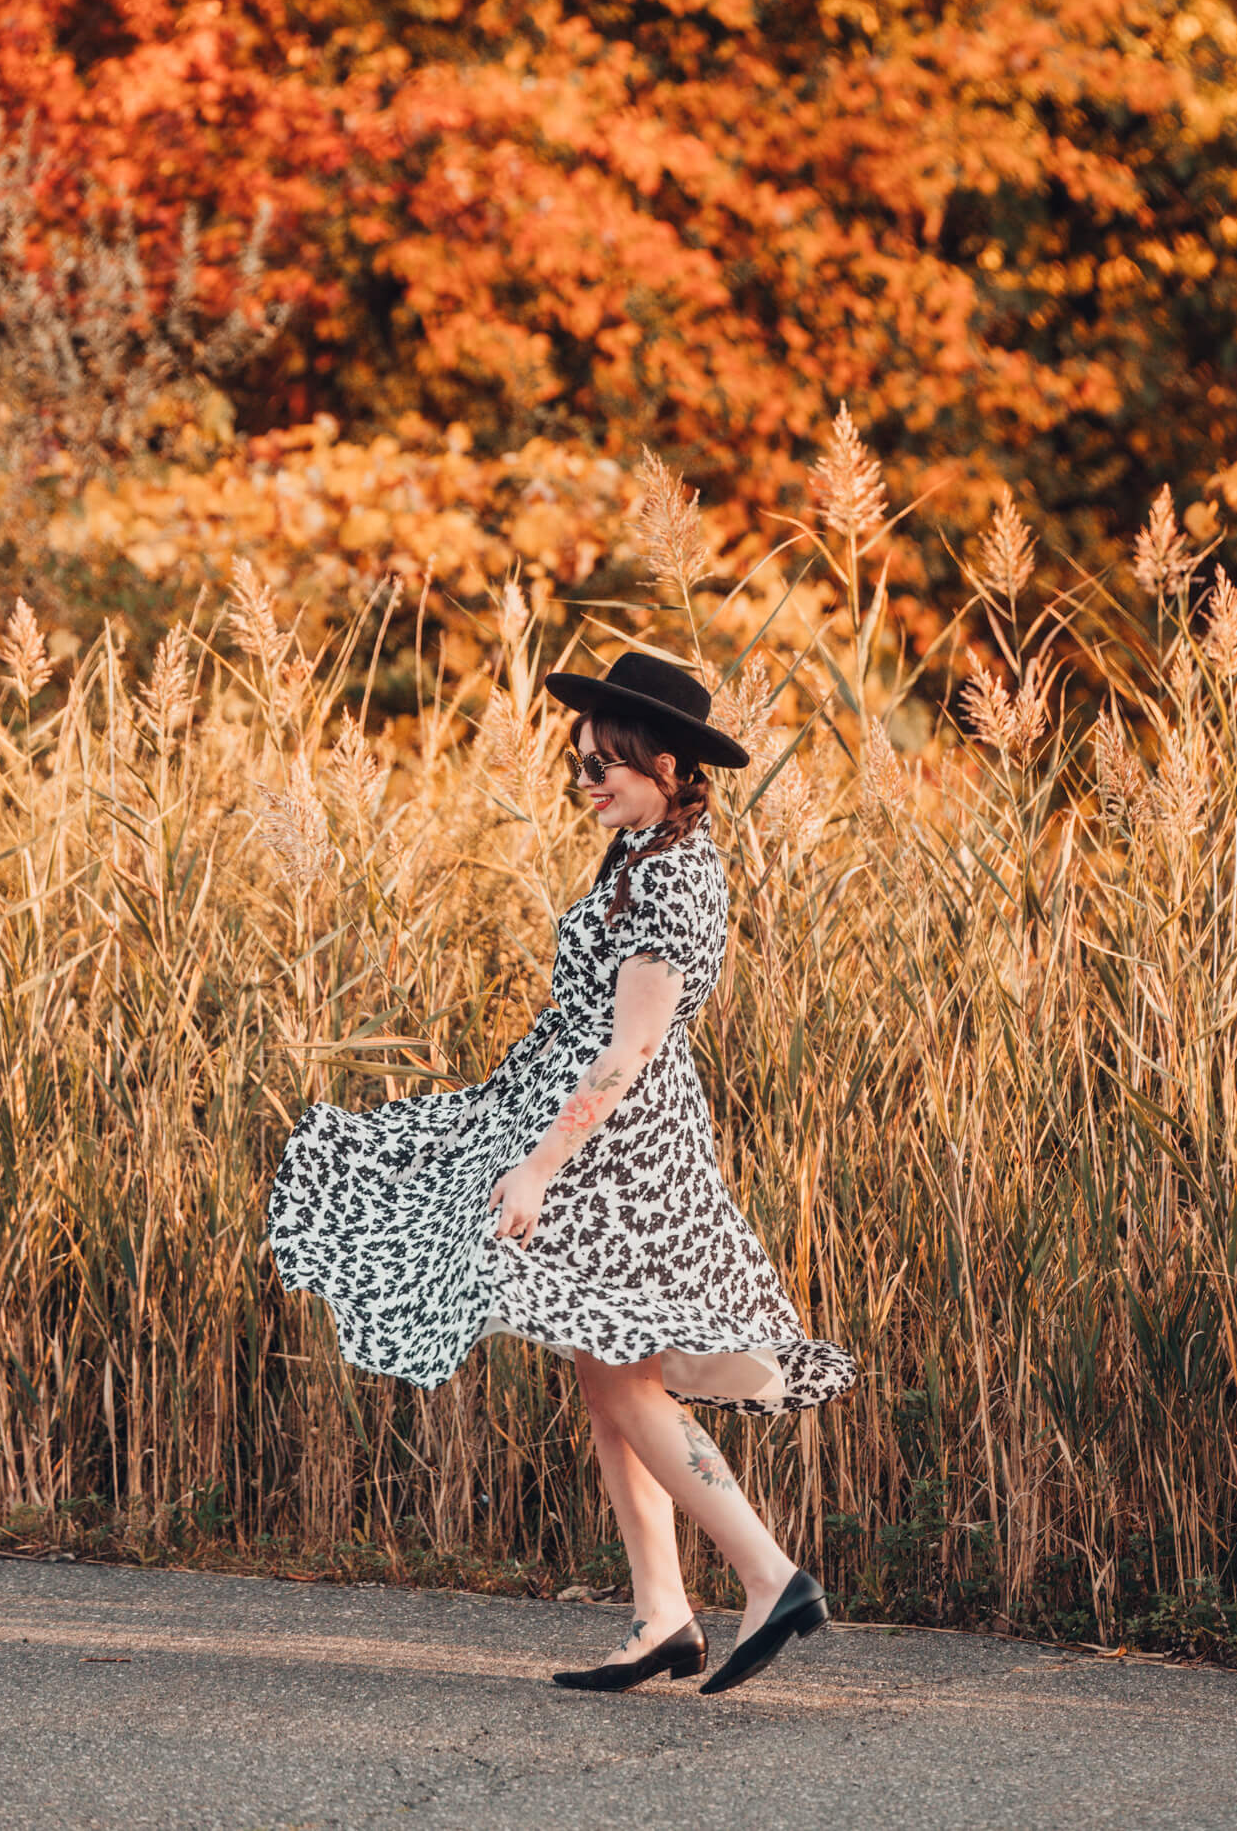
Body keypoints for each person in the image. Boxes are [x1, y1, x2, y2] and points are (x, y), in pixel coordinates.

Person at [265, 650, 858, 1695]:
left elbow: (628, 1049)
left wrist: (540, 1164)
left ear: (669, 765)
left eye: (608, 765)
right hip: (596, 1134)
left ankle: (769, 1575)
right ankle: (663, 1615)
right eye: (579, 764)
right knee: (604, 1377)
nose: (588, 781)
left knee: (625, 1381)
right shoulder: (641, 854)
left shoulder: (667, 876)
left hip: (613, 1154)